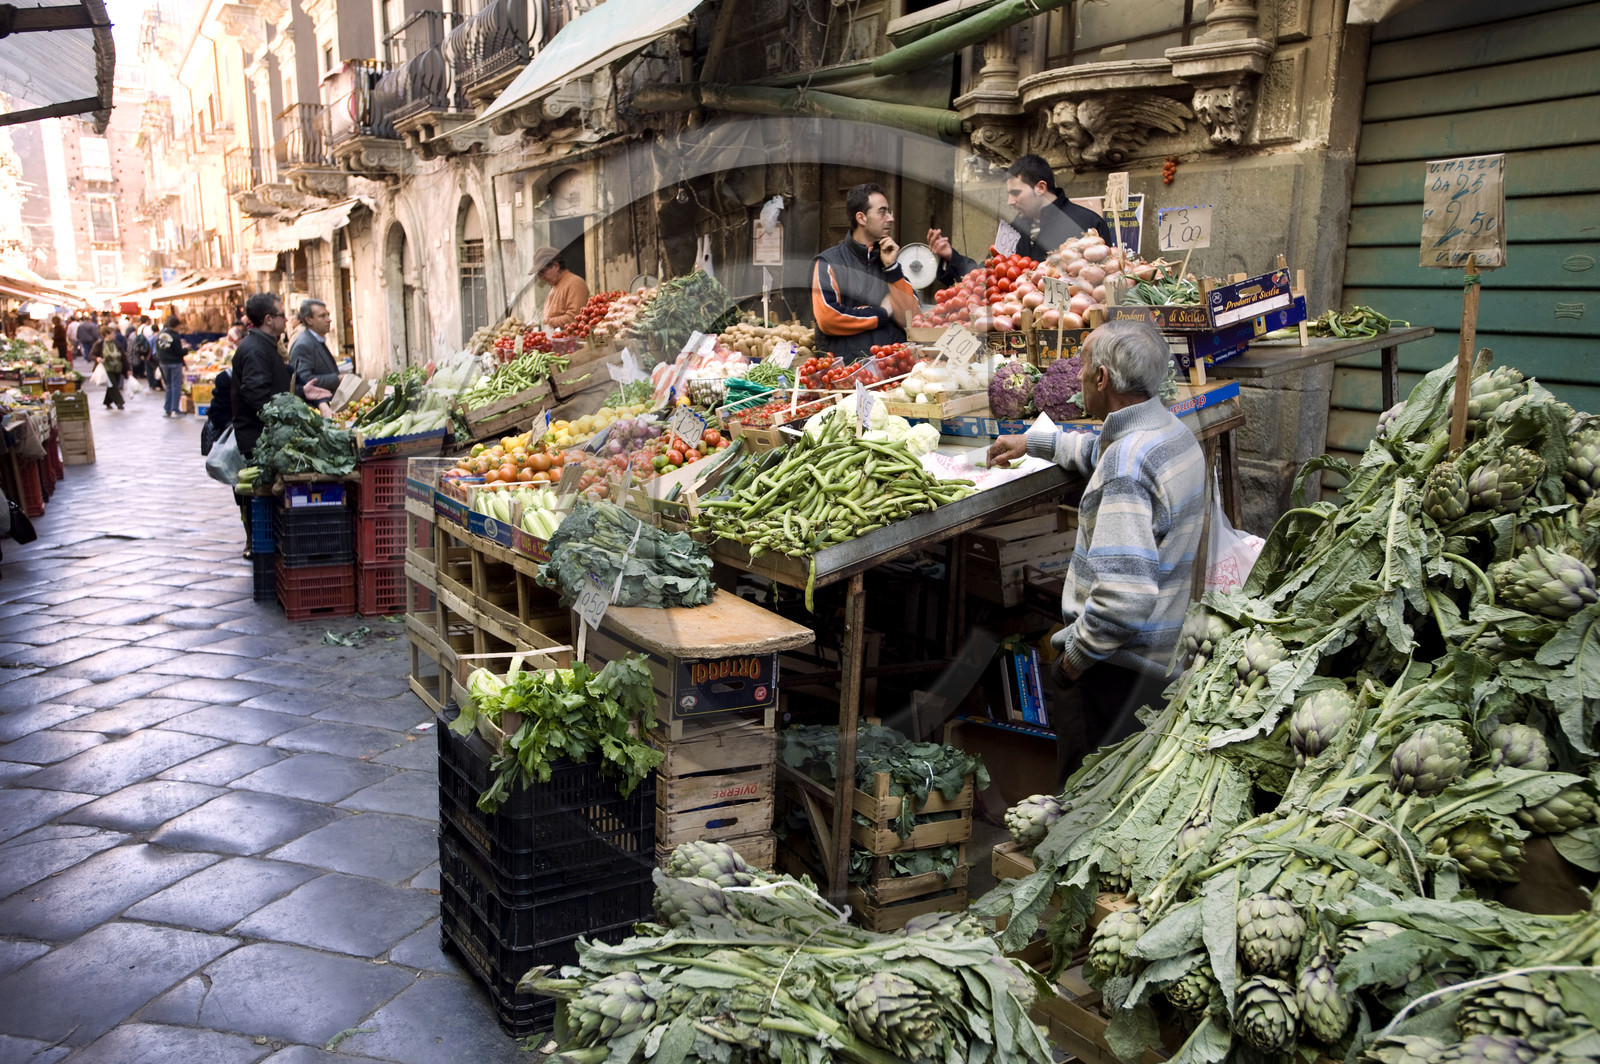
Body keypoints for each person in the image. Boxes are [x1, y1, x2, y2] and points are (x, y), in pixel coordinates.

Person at [987, 319, 1204, 780]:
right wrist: (1035, 441)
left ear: (1102, 379)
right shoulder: (1170, 433)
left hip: (1113, 672)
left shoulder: (1128, 465)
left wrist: (1073, 662)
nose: (1079, 378)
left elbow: (1124, 601)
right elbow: (1100, 453)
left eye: (1084, 370)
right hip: (1160, 659)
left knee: (1083, 806)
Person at [928, 155, 1110, 288]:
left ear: (1040, 188)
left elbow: (1104, 283)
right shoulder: (1013, 228)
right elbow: (989, 272)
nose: (1010, 201)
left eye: (1016, 193)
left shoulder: (1087, 224)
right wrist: (952, 257)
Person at [810, 182, 920, 361]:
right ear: (861, 218)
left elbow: (913, 319)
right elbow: (828, 318)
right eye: (882, 212)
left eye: (889, 212)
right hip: (848, 371)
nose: (890, 218)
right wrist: (881, 313)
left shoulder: (888, 261)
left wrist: (892, 269)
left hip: (893, 366)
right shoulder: (828, 262)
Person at [231, 293, 292, 460]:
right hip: (260, 438)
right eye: (281, 315)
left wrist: (300, 390)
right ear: (269, 319)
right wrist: (282, 419)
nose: (286, 320)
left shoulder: (264, 345)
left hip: (264, 436)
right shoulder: (256, 350)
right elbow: (256, 394)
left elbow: (274, 385)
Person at [287, 299, 340, 404]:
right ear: (309, 320)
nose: (329, 320)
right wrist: (337, 379)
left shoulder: (315, 339)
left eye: (328, 315)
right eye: (322, 316)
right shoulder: (303, 344)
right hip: (318, 407)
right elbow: (304, 379)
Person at [530, 246, 589, 331]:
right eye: (539, 274)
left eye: (542, 272)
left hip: (570, 342)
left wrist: (546, 322)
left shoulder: (575, 283)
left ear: (556, 266)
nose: (541, 277)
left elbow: (574, 318)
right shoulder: (555, 286)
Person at [154, 314, 187, 418]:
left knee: (168, 386)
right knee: (176, 386)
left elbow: (157, 350)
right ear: (175, 326)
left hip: (163, 363)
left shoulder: (160, 335)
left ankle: (167, 409)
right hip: (175, 363)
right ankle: (175, 408)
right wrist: (186, 349)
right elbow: (179, 352)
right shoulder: (175, 336)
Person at [90, 325, 125, 410]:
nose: (115, 335)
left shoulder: (117, 344)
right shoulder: (99, 344)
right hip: (106, 368)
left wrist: (127, 369)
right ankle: (119, 402)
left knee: (112, 385)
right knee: (113, 385)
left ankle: (107, 402)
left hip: (117, 368)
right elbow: (91, 355)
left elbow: (123, 357)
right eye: (113, 334)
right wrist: (97, 358)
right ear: (107, 334)